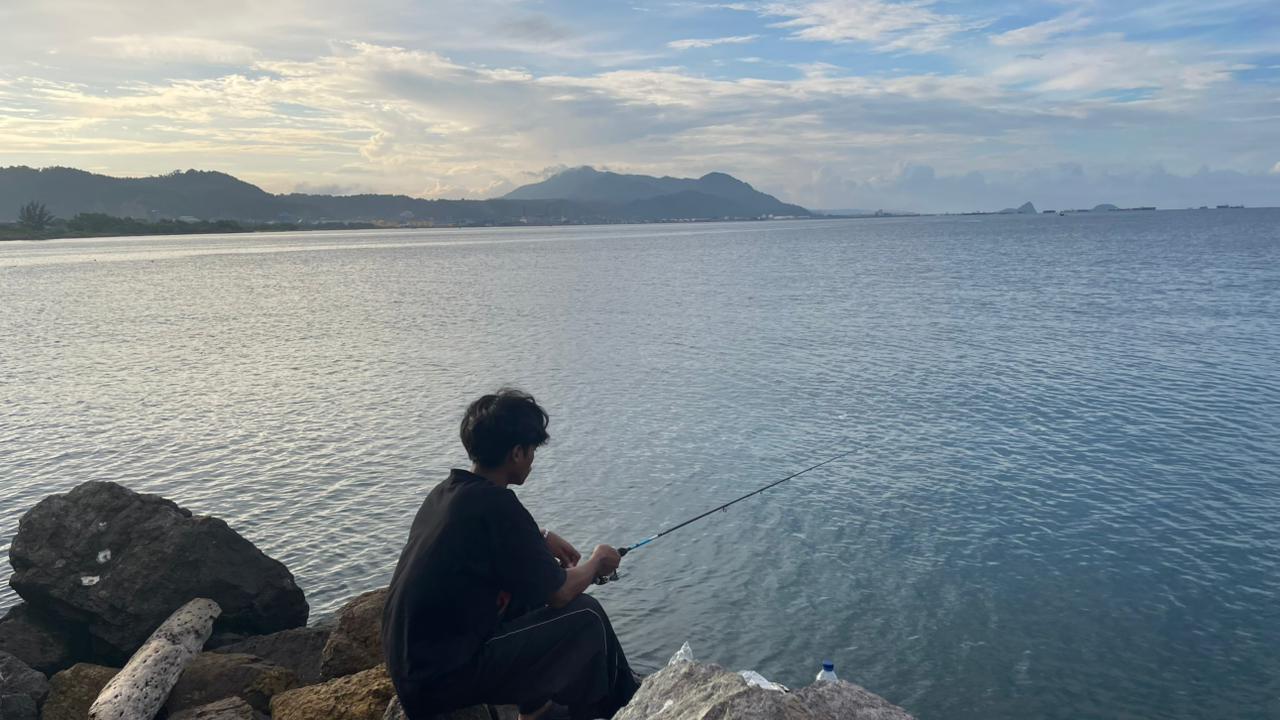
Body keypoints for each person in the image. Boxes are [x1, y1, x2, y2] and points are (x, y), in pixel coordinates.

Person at [383, 388, 641, 720]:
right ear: (517, 453)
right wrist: (596, 564)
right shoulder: (498, 506)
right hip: (442, 681)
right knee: (586, 615)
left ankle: (538, 708)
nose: (533, 458)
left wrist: (541, 537)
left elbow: (494, 547)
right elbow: (561, 593)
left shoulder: (448, 493)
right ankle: (629, 707)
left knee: (528, 590)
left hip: (415, 670)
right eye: (532, 450)